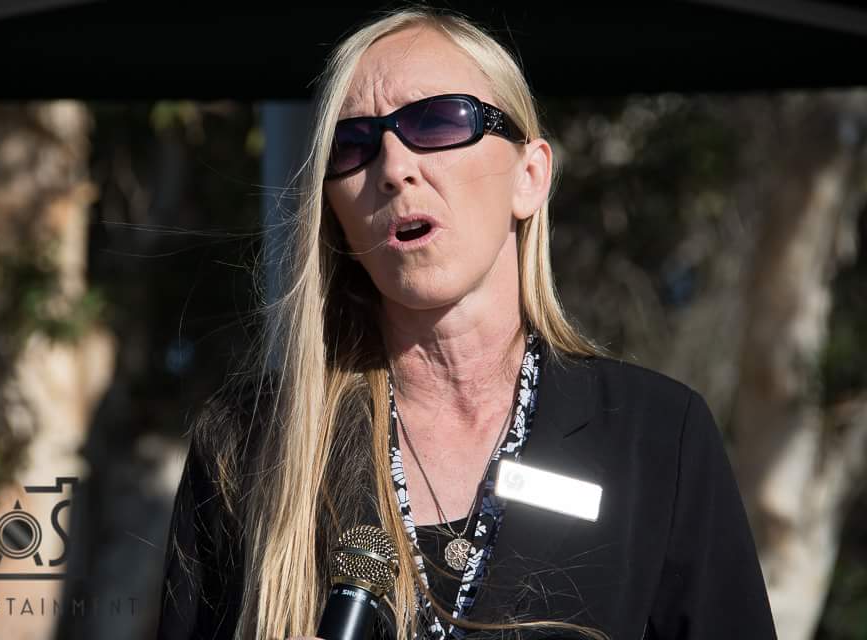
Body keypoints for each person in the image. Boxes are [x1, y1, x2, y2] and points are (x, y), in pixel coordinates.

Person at [155, 7, 777, 640]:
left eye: (437, 121)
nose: (393, 166)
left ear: (530, 177)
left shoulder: (658, 437)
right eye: (353, 143)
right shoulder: (247, 446)